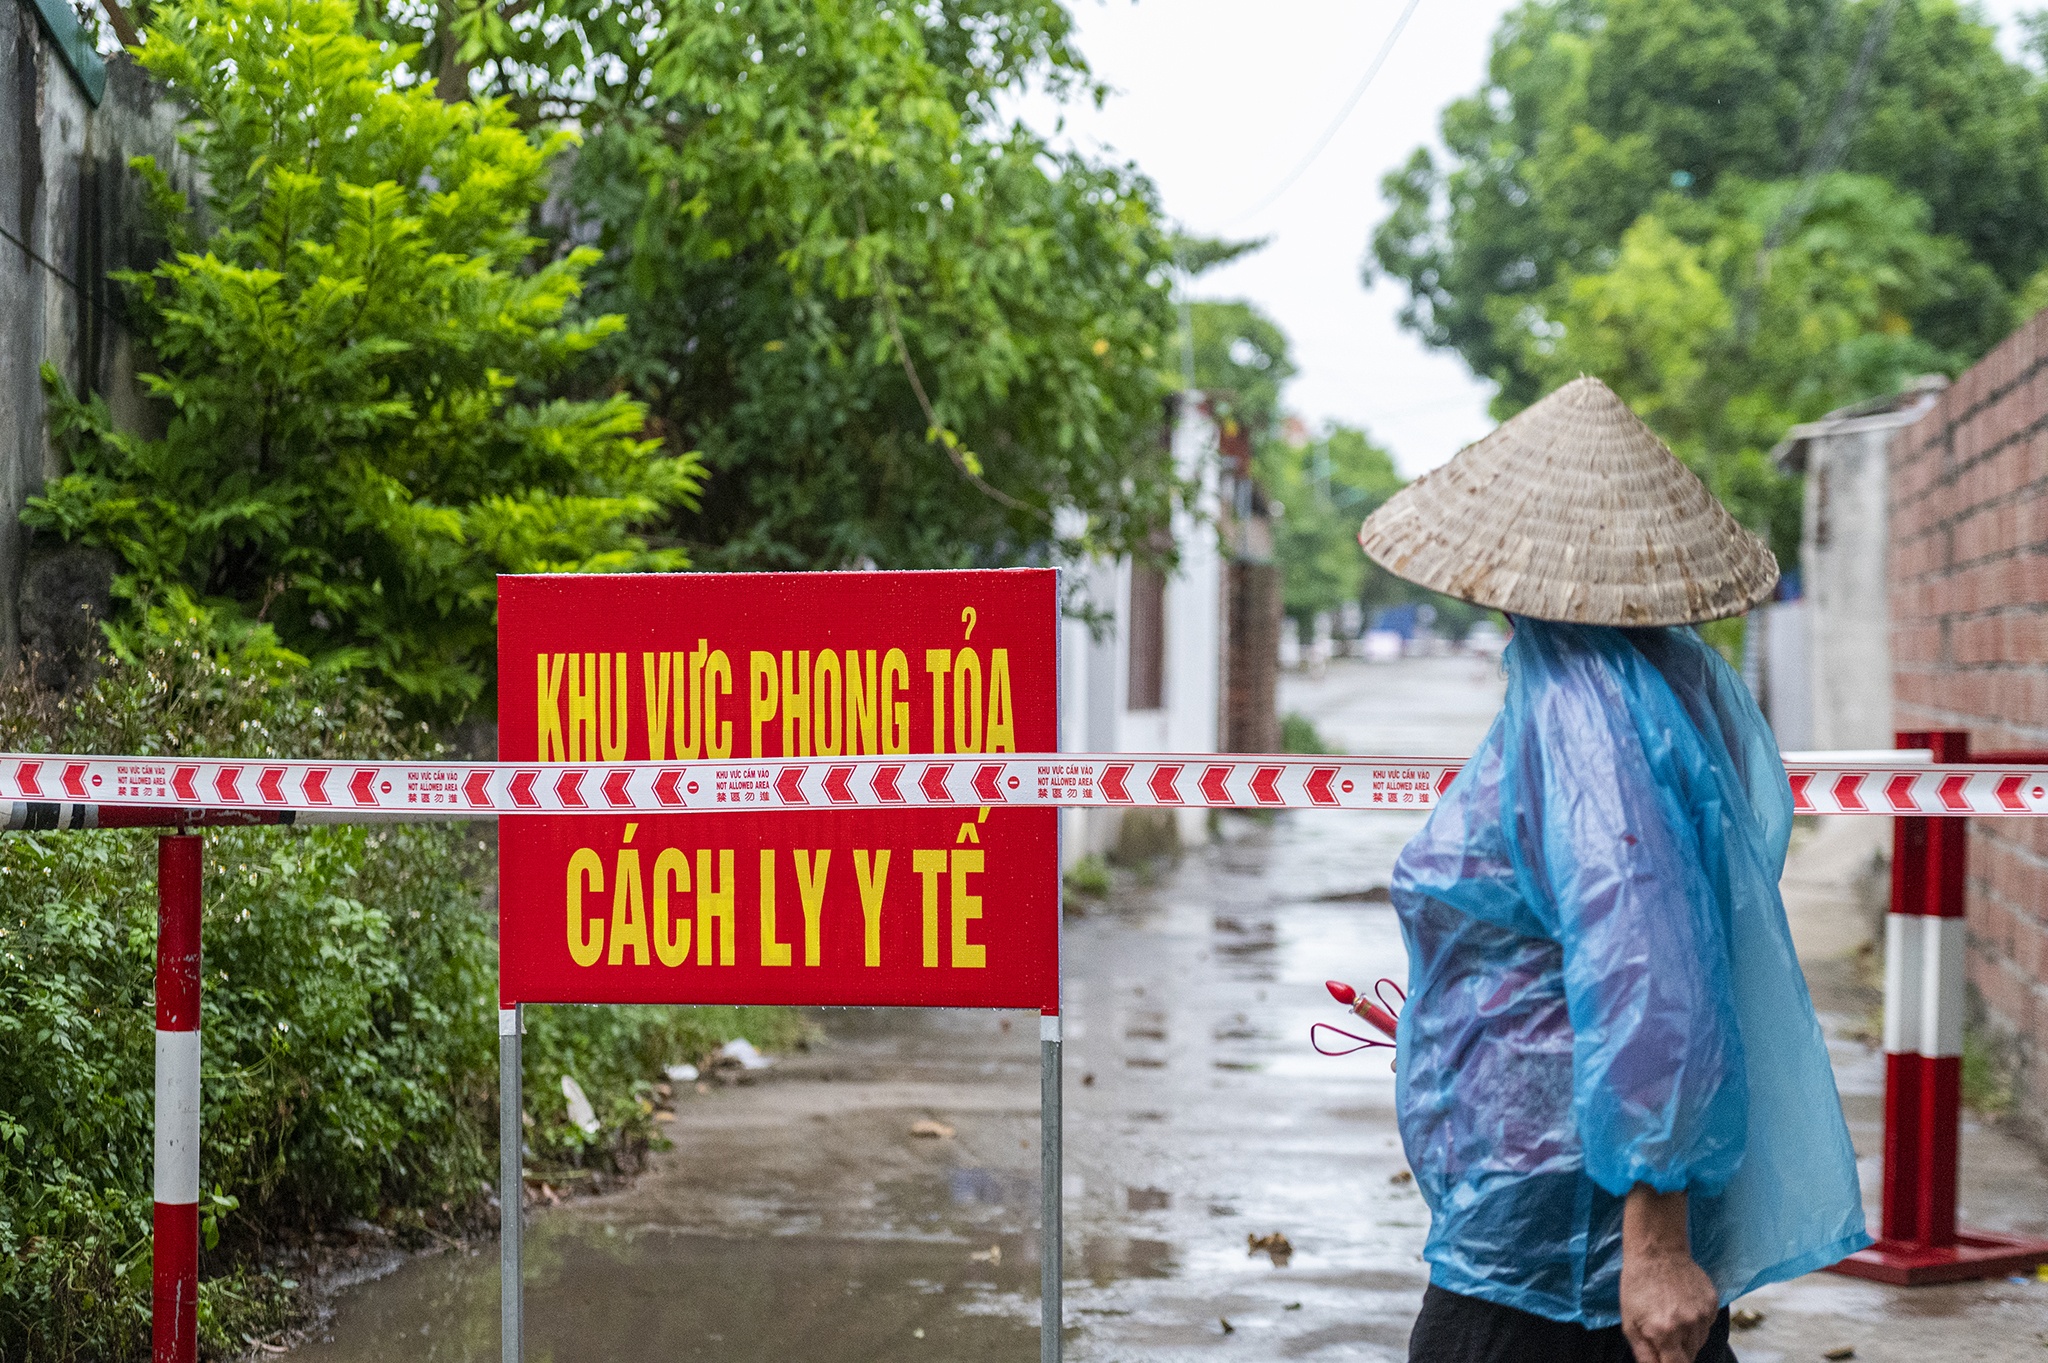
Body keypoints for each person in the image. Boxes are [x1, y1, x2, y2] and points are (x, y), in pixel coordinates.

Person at [1357, 377, 1868, 1363]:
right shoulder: (1637, 674)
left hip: (1563, 1253)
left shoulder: (1583, 705)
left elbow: (1649, 977)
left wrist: (1656, 1248)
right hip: (1557, 1226)